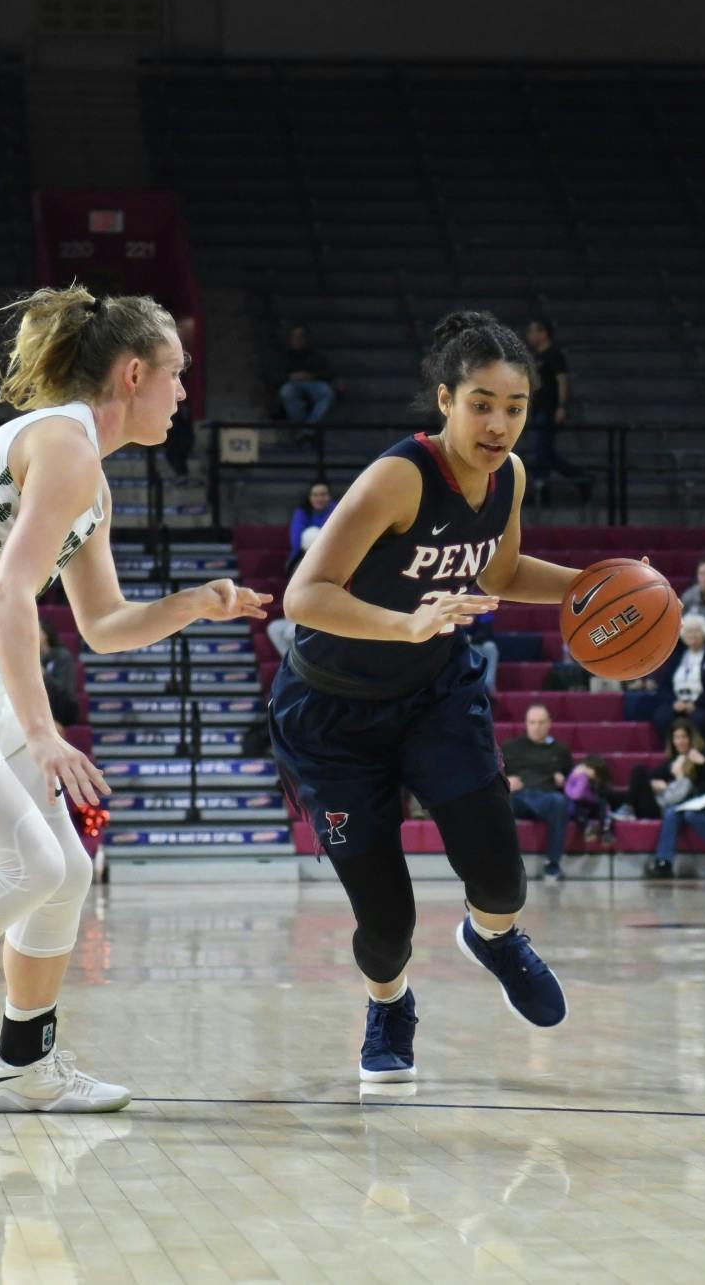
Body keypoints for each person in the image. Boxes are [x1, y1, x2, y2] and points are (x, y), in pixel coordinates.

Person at [0, 285, 268, 1123]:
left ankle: (23, 1064)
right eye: (177, 373)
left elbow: (102, 624)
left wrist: (193, 604)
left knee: (66, 867)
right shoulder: (63, 444)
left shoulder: (87, 475)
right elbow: (8, 594)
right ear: (133, 374)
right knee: (28, 864)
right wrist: (43, 731)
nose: (185, 391)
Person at [271, 310, 579, 1086]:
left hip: (433, 692)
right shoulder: (400, 476)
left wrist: (596, 586)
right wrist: (405, 623)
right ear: (445, 400)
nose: (499, 424)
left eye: (515, 407)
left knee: (501, 878)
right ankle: (389, 1003)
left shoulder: (508, 477)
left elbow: (500, 573)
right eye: (482, 404)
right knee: (388, 924)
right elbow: (304, 594)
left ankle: (494, 937)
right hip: (331, 713)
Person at [638, 721, 705, 879]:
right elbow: (652, 776)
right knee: (671, 813)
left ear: (691, 738)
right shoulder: (676, 761)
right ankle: (664, 863)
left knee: (691, 815)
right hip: (690, 804)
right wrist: (658, 783)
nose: (680, 741)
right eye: (676, 737)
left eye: (684, 737)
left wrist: (703, 763)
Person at [502, 704, 575, 882]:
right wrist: (506, 781)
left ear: (549, 723)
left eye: (541, 722)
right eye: (532, 722)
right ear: (526, 723)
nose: (537, 727)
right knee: (501, 801)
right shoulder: (510, 747)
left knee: (559, 801)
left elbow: (572, 782)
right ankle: (504, 863)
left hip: (546, 797)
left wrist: (563, 780)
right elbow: (493, 775)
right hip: (518, 796)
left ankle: (553, 863)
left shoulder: (560, 750)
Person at [521, 318, 587, 500]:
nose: (530, 335)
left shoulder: (554, 355)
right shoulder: (537, 357)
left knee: (540, 453)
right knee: (546, 454)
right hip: (538, 410)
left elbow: (562, 381)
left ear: (544, 333)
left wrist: (561, 406)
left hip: (548, 410)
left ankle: (542, 490)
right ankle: (582, 479)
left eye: (533, 331)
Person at [651, 613, 705, 740]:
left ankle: (699, 749)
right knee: (662, 716)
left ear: (704, 633)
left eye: (696, 631)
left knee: (700, 719)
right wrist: (674, 702)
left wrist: (696, 704)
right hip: (678, 703)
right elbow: (664, 685)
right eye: (688, 631)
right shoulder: (677, 655)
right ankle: (673, 748)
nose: (692, 635)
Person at [277, 325, 337, 429]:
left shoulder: (316, 355)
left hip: (313, 381)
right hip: (292, 383)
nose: (297, 340)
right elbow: (275, 373)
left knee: (327, 392)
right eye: (295, 337)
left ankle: (310, 426)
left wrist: (312, 376)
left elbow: (328, 372)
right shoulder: (284, 355)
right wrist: (290, 377)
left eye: (301, 337)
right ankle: (299, 424)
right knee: (286, 392)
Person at [39, 616, 81, 727]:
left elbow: (64, 692)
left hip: (63, 710)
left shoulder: (62, 656)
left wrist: (44, 675)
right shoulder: (30, 659)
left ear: (45, 634)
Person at [287, 480, 333, 576]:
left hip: (331, 556)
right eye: (315, 495)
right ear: (309, 497)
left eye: (323, 494)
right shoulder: (302, 512)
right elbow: (296, 542)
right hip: (303, 556)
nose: (319, 498)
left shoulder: (337, 510)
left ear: (329, 496)